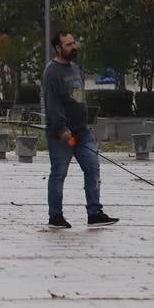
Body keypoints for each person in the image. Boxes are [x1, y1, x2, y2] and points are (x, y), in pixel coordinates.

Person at [43, 32, 118, 229]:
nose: (73, 46)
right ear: (58, 48)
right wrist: (61, 128)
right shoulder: (52, 71)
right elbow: (52, 103)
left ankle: (94, 213)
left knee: (92, 168)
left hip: (82, 132)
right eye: (68, 44)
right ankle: (55, 216)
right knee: (59, 174)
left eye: (74, 42)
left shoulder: (75, 68)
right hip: (62, 135)